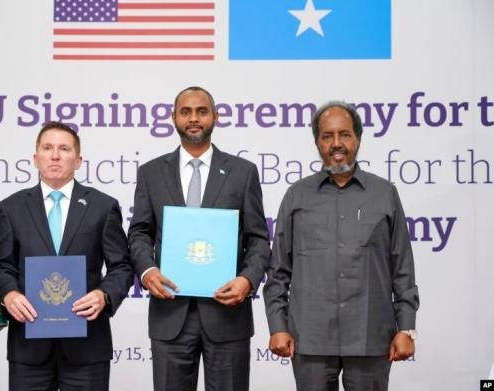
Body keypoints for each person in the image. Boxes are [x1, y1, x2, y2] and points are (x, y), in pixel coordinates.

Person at [263, 101, 420, 391]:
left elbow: (402, 270)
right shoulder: (297, 196)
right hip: (310, 338)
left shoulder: (384, 194)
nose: (337, 144)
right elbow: (277, 273)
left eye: (345, 135)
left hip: (370, 336)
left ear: (358, 139)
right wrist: (278, 326)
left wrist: (407, 327)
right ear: (317, 142)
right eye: (327, 136)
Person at [128, 86, 271, 391]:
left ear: (215, 117)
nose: (194, 118)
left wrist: (247, 280)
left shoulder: (242, 172)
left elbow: (258, 238)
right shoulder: (151, 173)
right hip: (170, 314)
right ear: (173, 118)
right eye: (186, 112)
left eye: (202, 111)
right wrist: (148, 270)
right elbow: (139, 232)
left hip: (228, 314)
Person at [0, 121, 133, 391]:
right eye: (47, 148)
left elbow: (121, 267)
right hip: (29, 345)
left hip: (87, 346)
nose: (55, 155)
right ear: (35, 158)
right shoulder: (12, 207)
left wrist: (103, 296)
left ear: (78, 160)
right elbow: (2, 266)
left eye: (64, 149)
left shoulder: (103, 206)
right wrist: (9, 294)